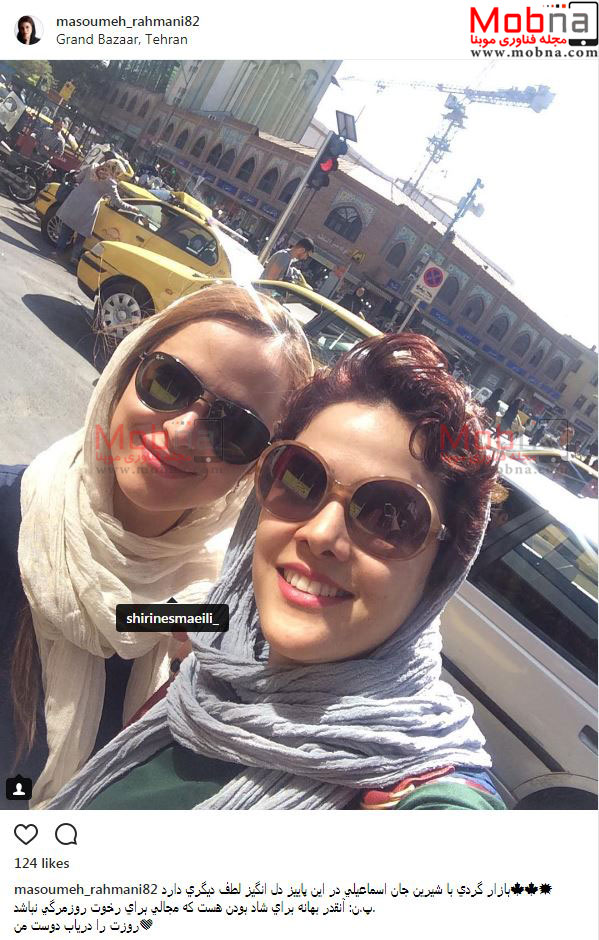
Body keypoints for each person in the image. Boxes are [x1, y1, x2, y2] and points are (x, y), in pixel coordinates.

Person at [48, 333, 506, 811]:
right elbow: (142, 617)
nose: (321, 533)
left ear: (441, 573)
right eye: (302, 477)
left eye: (389, 516)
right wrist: (76, 593)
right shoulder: (230, 638)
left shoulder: (425, 795)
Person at [0, 284, 314, 809]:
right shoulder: (9, 513)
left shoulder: (217, 610)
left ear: (255, 468)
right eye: (169, 382)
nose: (185, 431)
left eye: (234, 429)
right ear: (127, 372)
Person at [52, 158, 137, 267]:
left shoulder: (92, 168)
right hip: (88, 209)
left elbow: (77, 179)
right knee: (81, 235)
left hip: (75, 201)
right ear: (114, 170)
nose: (117, 175)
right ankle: (74, 257)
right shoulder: (110, 183)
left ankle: (58, 252)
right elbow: (118, 202)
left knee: (66, 228)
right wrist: (133, 208)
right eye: (117, 173)